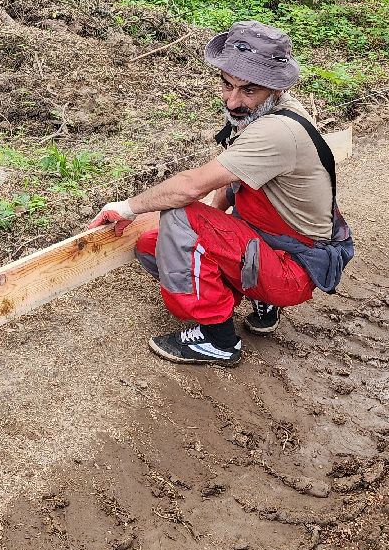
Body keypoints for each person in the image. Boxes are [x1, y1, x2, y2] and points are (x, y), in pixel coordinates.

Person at [89, 21, 342, 367]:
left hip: (293, 267)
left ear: (275, 88)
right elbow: (232, 179)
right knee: (155, 245)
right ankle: (260, 298)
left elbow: (191, 185)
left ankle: (218, 340)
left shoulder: (275, 132)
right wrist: (211, 229)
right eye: (227, 85)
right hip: (280, 245)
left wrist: (128, 207)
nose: (234, 101)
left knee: (179, 217)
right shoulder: (270, 112)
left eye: (248, 91)